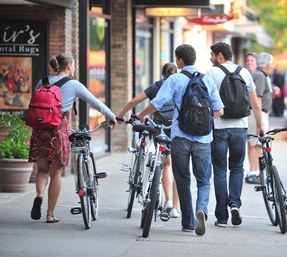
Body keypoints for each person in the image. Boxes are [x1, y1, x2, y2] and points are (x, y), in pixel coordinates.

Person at [136, 44, 224, 236]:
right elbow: (220, 110)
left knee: (183, 180)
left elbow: (157, 103)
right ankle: (201, 209)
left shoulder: (175, 79)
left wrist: (141, 115)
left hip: (180, 137)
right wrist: (203, 120)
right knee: (203, 180)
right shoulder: (206, 80)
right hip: (203, 138)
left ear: (179, 60)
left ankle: (188, 222)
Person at [29, 53, 117, 223]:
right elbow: (95, 102)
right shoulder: (73, 84)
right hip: (58, 131)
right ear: (69, 66)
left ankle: (39, 195)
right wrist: (112, 116)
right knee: (56, 172)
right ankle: (50, 214)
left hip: (40, 130)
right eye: (74, 65)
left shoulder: (43, 81)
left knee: (41, 170)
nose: (74, 68)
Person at [206, 42, 264, 227]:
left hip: (219, 127)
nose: (211, 58)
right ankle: (235, 204)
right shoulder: (244, 72)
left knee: (220, 171)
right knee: (237, 168)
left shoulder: (211, 73)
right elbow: (255, 104)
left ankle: (222, 217)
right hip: (241, 127)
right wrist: (260, 125)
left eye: (212, 54)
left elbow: (204, 99)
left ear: (220, 56)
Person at [117, 62, 180, 218]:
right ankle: (174, 208)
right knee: (178, 167)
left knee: (165, 163)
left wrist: (121, 113)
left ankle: (168, 200)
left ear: (163, 74)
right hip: (176, 129)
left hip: (158, 128)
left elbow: (134, 101)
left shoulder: (157, 86)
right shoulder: (180, 85)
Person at [245, 52, 274, 184]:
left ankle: (253, 171)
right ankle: (254, 172)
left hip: (254, 113)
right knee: (256, 143)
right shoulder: (260, 76)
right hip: (257, 113)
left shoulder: (257, 74)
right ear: (267, 65)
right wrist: (260, 120)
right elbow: (258, 98)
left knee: (252, 143)